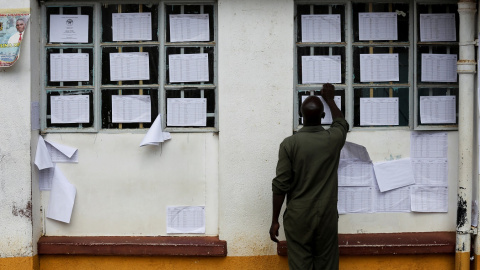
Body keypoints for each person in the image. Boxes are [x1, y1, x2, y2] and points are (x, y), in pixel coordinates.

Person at [269, 83, 349, 270]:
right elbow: (341, 122)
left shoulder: (289, 144)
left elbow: (281, 185)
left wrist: (275, 220)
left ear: (301, 116)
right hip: (326, 216)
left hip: (298, 216)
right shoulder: (333, 139)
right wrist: (330, 99)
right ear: (322, 117)